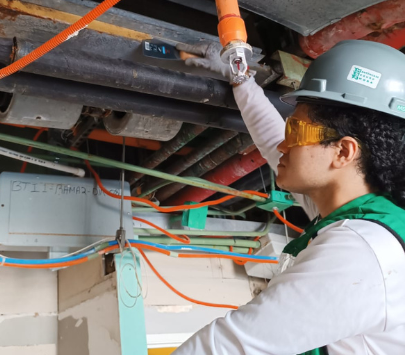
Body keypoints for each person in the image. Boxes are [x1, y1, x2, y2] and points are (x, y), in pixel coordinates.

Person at [172, 39, 405, 355]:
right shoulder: (364, 218)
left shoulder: (361, 249)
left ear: (343, 152)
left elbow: (225, 348)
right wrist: (240, 77)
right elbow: (272, 141)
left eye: (295, 133)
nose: (284, 144)